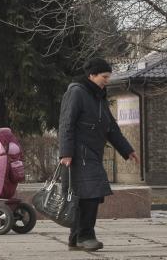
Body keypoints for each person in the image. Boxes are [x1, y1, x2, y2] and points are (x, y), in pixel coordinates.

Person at [58, 57, 140, 251]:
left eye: (108, 76)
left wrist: (127, 150)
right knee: (91, 194)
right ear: (92, 75)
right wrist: (66, 152)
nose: (107, 80)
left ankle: (76, 238)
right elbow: (66, 124)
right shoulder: (76, 93)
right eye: (104, 76)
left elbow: (111, 127)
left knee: (87, 195)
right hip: (78, 155)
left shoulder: (98, 96)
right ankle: (86, 236)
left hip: (92, 153)